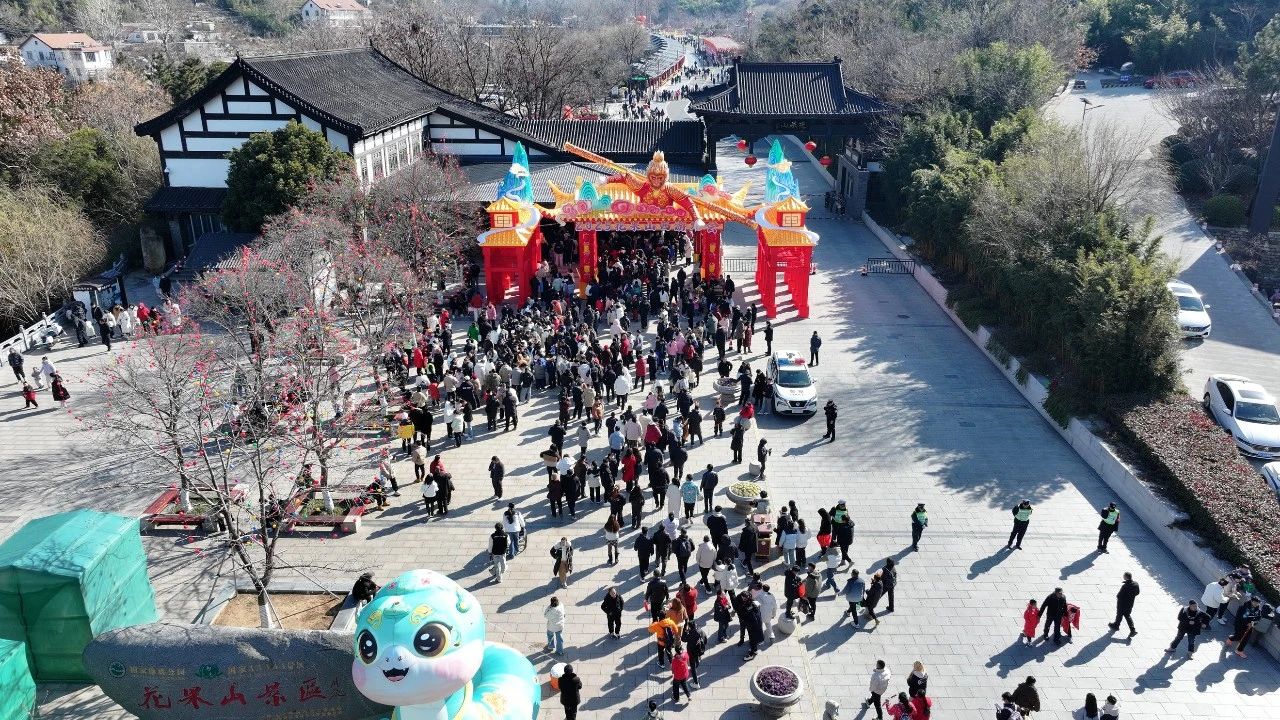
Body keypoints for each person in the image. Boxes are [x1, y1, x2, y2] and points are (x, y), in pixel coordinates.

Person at [1108, 572, 1140, 637]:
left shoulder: (1125, 586)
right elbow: (1137, 593)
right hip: (1130, 603)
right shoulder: (1136, 584)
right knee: (1127, 615)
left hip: (1122, 604)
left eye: (1124, 576)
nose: (1123, 576)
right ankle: (1132, 630)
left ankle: (1116, 625)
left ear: (1126, 577)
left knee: (1119, 614)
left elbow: (1119, 596)